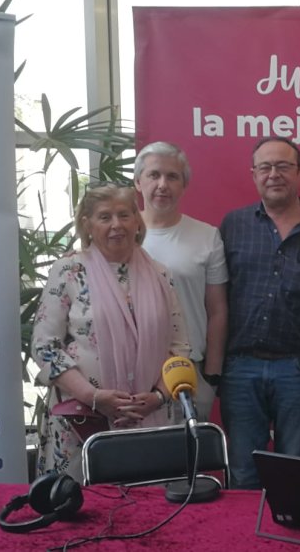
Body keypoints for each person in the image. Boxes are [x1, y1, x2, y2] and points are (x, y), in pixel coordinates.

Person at [31, 184, 190, 482]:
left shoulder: (160, 274)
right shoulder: (68, 271)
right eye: (105, 217)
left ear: (136, 221)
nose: (116, 225)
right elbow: (45, 347)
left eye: (124, 215)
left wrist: (158, 396)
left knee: (148, 511)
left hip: (150, 419)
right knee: (75, 512)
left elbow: (179, 347)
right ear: (88, 224)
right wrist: (93, 397)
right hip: (82, 420)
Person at [219, 137, 300, 489]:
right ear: (254, 175)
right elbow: (215, 299)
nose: (273, 174)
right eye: (265, 167)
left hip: (299, 367)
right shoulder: (233, 226)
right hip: (240, 367)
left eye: (283, 166)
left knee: (294, 467)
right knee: (243, 470)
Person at [135, 141, 228, 421]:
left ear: (184, 185)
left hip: (188, 371)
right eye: (154, 175)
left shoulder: (206, 236)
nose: (162, 184)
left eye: (172, 176)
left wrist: (211, 373)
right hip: (131, 372)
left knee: (185, 458)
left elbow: (217, 309)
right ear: (138, 182)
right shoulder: (118, 233)